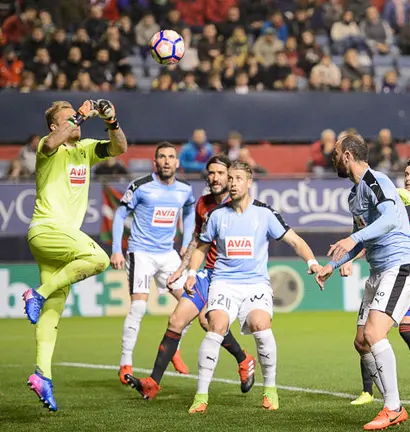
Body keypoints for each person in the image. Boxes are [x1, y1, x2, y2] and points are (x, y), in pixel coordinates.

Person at [186, 161, 322, 414]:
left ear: (249, 183)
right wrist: (192, 272)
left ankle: (270, 390)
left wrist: (312, 262)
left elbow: (295, 240)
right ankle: (201, 396)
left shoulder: (265, 214)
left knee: (261, 324)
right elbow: (202, 247)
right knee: (216, 325)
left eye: (239, 178)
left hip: (255, 283)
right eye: (231, 178)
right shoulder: (217, 216)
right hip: (224, 282)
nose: (234, 183)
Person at [23, 99, 128, 411]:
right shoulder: (48, 145)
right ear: (55, 125)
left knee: (52, 315)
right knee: (101, 259)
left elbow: (119, 148)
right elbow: (53, 141)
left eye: (76, 116)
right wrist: (81, 114)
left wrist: (111, 120)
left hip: (62, 244)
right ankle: (37, 293)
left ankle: (43, 375)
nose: (77, 120)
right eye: (68, 117)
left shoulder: (85, 149)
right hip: (46, 229)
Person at [124, 155, 256, 399]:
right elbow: (197, 239)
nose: (214, 178)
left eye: (220, 173)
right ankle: (153, 383)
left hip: (230, 277)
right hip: (206, 274)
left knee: (209, 322)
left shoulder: (240, 204)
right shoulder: (203, 204)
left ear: (231, 177)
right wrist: (182, 268)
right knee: (176, 320)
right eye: (211, 173)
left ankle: (244, 358)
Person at [315, 132, 410, 430]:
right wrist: (332, 266)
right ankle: (392, 403)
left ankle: (393, 407)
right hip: (377, 270)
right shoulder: (353, 195)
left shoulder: (377, 180)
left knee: (374, 334)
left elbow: (388, 219)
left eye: (335, 154)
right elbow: (362, 241)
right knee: (362, 342)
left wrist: (352, 238)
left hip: (398, 265)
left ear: (347, 155)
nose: (332, 158)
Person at [345, 158, 410, 406]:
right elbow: (372, 239)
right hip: (388, 272)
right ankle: (369, 391)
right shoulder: (397, 207)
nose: (408, 178)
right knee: (369, 332)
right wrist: (347, 259)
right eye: (406, 174)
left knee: (406, 330)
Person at [110, 142, 196, 384]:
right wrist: (117, 250)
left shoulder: (184, 189)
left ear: (177, 163)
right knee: (138, 307)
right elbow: (119, 215)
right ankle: (125, 362)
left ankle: (174, 348)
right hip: (141, 253)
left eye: (171, 157)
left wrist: (187, 241)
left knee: (191, 303)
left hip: (168, 254)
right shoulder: (141, 186)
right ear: (154, 162)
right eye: (162, 157)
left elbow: (189, 212)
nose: (167, 161)